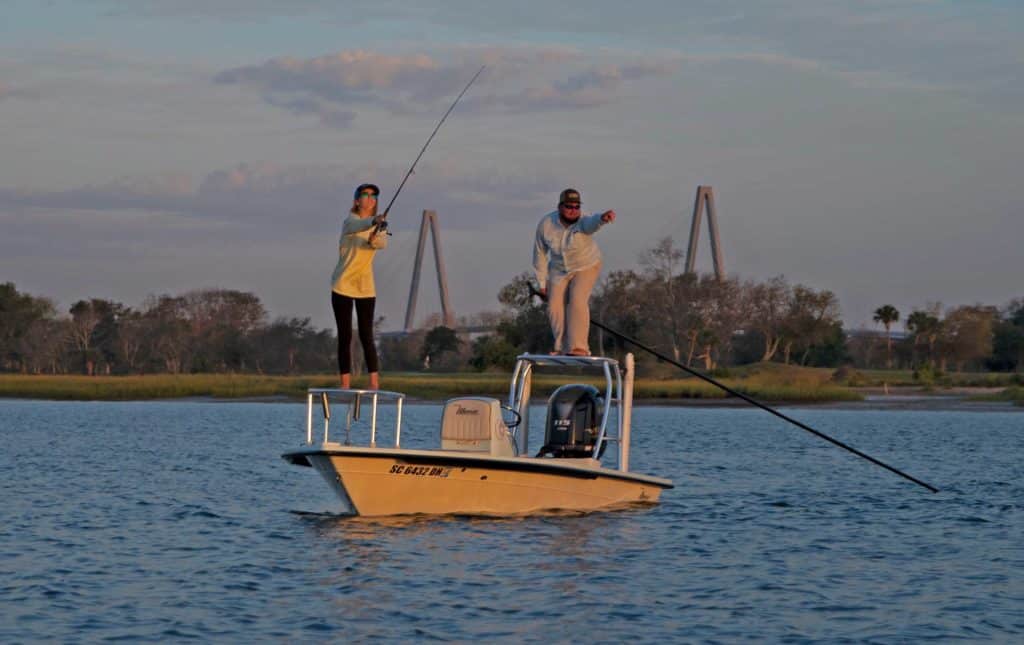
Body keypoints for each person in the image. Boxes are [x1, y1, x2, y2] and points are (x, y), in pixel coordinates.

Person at [532, 188, 616, 356]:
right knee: (554, 305)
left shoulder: (584, 221)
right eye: (569, 206)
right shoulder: (546, 224)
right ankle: (562, 347)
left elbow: (592, 223)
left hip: (586, 265)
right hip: (558, 269)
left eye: (577, 207)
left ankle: (579, 347)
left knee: (577, 300)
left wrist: (602, 219)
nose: (573, 210)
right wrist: (541, 284)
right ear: (560, 207)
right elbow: (539, 255)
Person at [330, 183, 388, 389]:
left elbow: (381, 244)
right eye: (365, 194)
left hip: (365, 287)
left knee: (366, 335)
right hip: (342, 285)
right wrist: (373, 221)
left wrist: (375, 235)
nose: (370, 198)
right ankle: (345, 384)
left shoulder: (378, 226)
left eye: (374, 195)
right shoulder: (350, 221)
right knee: (345, 335)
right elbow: (357, 226)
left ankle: (374, 383)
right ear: (357, 200)